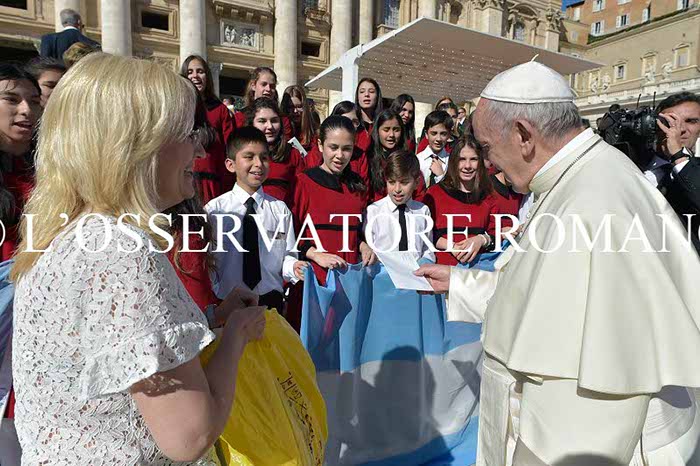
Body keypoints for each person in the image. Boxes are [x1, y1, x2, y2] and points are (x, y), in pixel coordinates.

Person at [416, 61, 700, 465]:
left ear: (523, 135)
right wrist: (461, 282)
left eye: (487, 147)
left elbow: (593, 405)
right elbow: (541, 294)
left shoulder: (595, 200)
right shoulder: (576, 177)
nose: (488, 164)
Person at [11, 53, 266, 465]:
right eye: (185, 132)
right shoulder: (119, 251)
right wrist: (236, 336)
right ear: (134, 145)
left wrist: (212, 320)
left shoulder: (63, 232)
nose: (199, 146)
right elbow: (189, 435)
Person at [205, 126, 306, 313]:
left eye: (264, 157)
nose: (258, 164)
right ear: (230, 164)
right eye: (249, 157)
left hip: (270, 305)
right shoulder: (215, 211)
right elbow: (209, 263)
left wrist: (294, 267)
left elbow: (287, 256)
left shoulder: (280, 210)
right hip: (228, 305)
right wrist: (217, 294)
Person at [0, 63, 41, 466]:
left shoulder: (46, 179)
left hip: (30, 341)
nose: (26, 110)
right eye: (12, 99)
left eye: (33, 101)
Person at [292, 116, 369, 286]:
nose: (339, 155)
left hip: (349, 279)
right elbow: (292, 233)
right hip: (314, 278)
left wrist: (363, 246)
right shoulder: (304, 183)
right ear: (320, 145)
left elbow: (355, 233)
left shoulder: (357, 186)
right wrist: (315, 254)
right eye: (333, 147)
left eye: (346, 149)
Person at [423, 134, 497, 266]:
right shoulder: (434, 194)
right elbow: (424, 234)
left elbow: (496, 236)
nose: (467, 165)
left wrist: (481, 239)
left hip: (477, 270)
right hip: (441, 269)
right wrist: (452, 246)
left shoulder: (488, 196)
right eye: (462, 159)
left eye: (473, 159)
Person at [363, 150, 435, 264]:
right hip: (383, 271)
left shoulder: (423, 211)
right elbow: (368, 248)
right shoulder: (373, 211)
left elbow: (427, 248)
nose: (397, 189)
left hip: (417, 272)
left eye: (404, 183)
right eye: (392, 182)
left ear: (416, 182)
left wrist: (425, 263)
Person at [181, 54, 236, 202]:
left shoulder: (220, 110)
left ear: (207, 76)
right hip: (183, 179)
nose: (195, 76)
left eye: (200, 71)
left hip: (213, 182)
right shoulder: (179, 108)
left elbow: (230, 147)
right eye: (190, 72)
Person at [654, 92, 700, 253]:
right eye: (671, 121)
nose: (680, 129)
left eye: (691, 121)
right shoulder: (634, 164)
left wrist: (678, 157)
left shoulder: (695, 170)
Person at [245, 98, 305, 209]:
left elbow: (301, 194)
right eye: (262, 121)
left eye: (274, 121)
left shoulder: (292, 154)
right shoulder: (241, 153)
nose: (270, 126)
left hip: (282, 214)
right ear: (251, 123)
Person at [368, 109, 426, 203]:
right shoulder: (369, 160)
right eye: (386, 130)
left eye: (396, 130)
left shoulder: (408, 161)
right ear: (377, 131)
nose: (391, 135)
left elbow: (419, 194)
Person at [305, 101, 370, 185]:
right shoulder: (316, 153)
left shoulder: (360, 155)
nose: (340, 155)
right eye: (334, 147)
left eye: (354, 122)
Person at [416, 111, 452, 188]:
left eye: (443, 134)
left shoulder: (451, 161)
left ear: (449, 135)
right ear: (426, 134)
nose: (438, 139)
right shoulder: (418, 160)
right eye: (434, 133)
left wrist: (441, 176)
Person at [280, 85, 319, 153]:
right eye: (291, 107)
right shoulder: (280, 129)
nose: (295, 111)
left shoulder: (313, 130)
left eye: (299, 106)